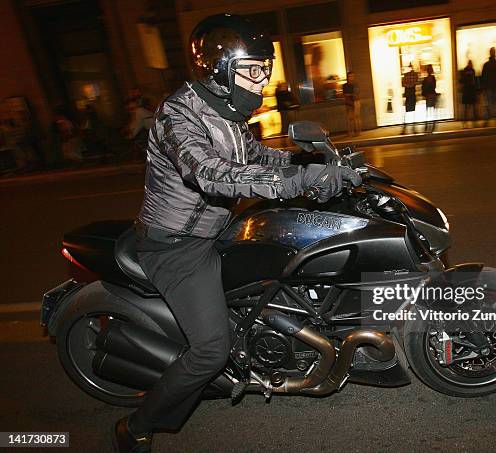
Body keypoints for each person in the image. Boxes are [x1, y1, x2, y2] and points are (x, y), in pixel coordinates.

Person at [112, 13, 362, 453]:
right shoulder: (177, 116)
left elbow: (254, 156)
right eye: (253, 70)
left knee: (288, 252)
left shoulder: (227, 112)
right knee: (210, 350)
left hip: (216, 227)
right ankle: (136, 427)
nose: (262, 80)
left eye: (266, 69)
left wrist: (309, 164)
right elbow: (208, 173)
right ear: (219, 70)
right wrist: (296, 182)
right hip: (176, 245)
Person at [481, 47, 496, 125]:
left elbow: (483, 77)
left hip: (489, 87)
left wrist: (483, 88)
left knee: (488, 103)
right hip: (495, 87)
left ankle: (487, 119)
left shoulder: (486, 65)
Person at [459, 60, 478, 127]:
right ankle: (470, 122)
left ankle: (467, 122)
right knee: (471, 107)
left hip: (467, 90)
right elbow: (472, 80)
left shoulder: (468, 70)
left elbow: (462, 80)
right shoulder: (470, 70)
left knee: (468, 107)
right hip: (469, 90)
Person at [343, 71, 361, 136]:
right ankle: (351, 132)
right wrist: (351, 94)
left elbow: (356, 94)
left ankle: (358, 131)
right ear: (348, 77)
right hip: (348, 102)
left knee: (357, 117)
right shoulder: (345, 85)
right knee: (350, 118)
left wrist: (351, 94)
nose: (351, 78)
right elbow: (345, 94)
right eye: (350, 76)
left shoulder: (356, 84)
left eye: (353, 76)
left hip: (356, 101)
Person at [402, 63, 419, 134]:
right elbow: (415, 83)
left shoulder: (406, 75)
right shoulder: (415, 75)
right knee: (412, 111)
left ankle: (405, 128)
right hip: (411, 95)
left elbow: (404, 84)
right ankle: (413, 127)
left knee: (407, 112)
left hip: (409, 95)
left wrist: (408, 86)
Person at [421, 64, 437, 133]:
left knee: (429, 110)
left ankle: (429, 124)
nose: (430, 71)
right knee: (430, 110)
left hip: (430, 95)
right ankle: (430, 124)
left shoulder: (428, 78)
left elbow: (425, 87)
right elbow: (433, 86)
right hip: (430, 95)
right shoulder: (430, 78)